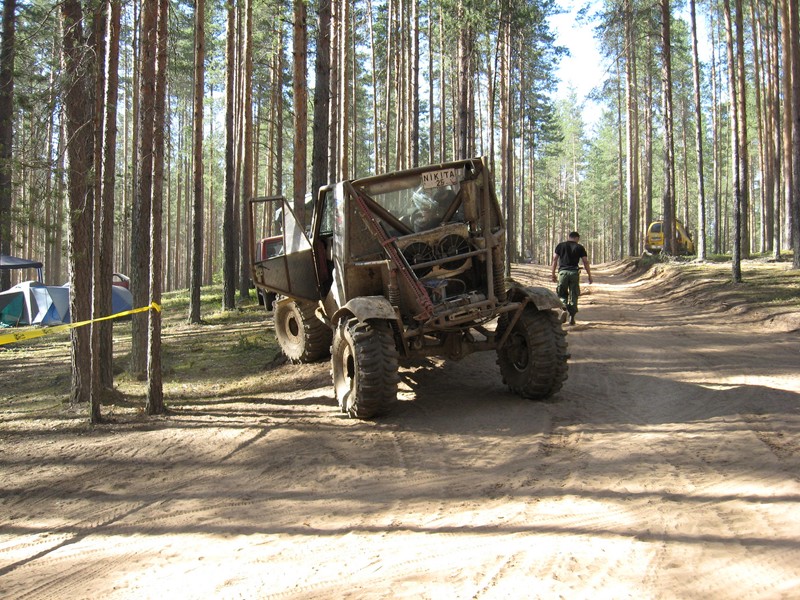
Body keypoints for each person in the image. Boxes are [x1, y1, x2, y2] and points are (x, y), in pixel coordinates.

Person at [551, 231, 592, 325]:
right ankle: (572, 316)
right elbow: (585, 261)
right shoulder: (580, 247)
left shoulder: (560, 246)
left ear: (569, 237)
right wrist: (589, 275)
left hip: (562, 273)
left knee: (562, 293)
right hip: (574, 273)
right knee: (574, 294)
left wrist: (552, 274)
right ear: (577, 238)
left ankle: (564, 307)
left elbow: (555, 259)